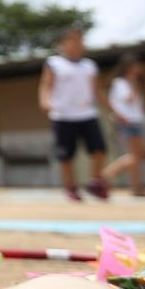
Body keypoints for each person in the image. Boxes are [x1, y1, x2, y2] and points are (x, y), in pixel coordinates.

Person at [39, 28, 110, 202]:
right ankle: (71, 187)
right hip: (63, 115)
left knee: (99, 149)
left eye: (80, 40)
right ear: (62, 44)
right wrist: (45, 100)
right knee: (66, 155)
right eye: (72, 40)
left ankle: (95, 182)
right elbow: (45, 85)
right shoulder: (53, 63)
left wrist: (112, 109)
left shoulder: (89, 65)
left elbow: (97, 91)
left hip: (87, 113)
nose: (77, 44)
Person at [100, 54, 145, 197]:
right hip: (128, 121)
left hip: (134, 121)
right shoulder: (121, 83)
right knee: (138, 155)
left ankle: (136, 187)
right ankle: (106, 175)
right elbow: (129, 99)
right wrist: (134, 84)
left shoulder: (126, 82)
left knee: (137, 155)